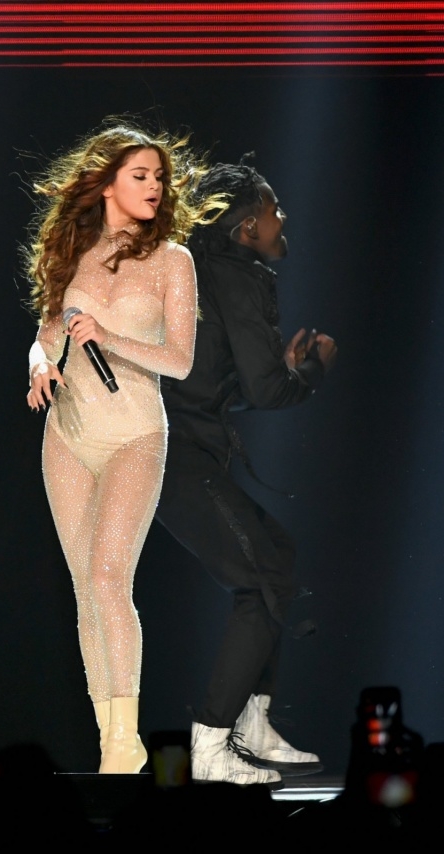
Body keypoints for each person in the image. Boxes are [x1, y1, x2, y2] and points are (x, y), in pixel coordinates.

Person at [23, 119, 226, 774]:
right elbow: (47, 331)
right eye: (140, 175)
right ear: (107, 184)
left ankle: (126, 740)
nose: (154, 186)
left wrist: (107, 337)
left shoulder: (173, 261)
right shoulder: (74, 251)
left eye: (159, 177)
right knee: (86, 587)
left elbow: (180, 360)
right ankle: (110, 737)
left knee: (111, 577)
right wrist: (39, 366)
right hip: (68, 433)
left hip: (135, 433)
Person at [155, 153, 338, 786]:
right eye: (273, 209)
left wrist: (276, 370)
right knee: (265, 582)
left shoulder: (206, 270)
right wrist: (311, 371)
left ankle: (252, 722)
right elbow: (266, 392)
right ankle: (211, 747)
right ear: (245, 226)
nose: (283, 217)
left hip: (175, 451)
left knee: (276, 557)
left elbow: (210, 385)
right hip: (174, 457)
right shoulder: (236, 274)